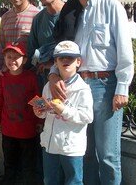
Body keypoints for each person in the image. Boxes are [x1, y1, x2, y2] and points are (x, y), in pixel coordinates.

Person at [48, 0, 134, 185]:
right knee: (84, 153)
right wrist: (53, 73)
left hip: (105, 87)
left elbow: (125, 51)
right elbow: (62, 50)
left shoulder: (111, 6)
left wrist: (122, 88)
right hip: (76, 87)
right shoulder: (69, 12)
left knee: (107, 155)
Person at [33, 40, 93, 185]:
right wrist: (39, 111)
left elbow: (87, 116)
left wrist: (64, 110)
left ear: (78, 62)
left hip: (71, 147)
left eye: (70, 58)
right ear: (56, 62)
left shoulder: (83, 89)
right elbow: (44, 112)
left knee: (73, 181)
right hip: (50, 144)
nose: (66, 60)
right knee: (49, 180)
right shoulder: (49, 85)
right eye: (61, 57)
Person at [0, 41, 41, 185]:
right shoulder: (3, 78)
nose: (12, 61)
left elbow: (38, 100)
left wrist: (40, 121)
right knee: (9, 163)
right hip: (8, 129)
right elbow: (1, 100)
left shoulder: (31, 77)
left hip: (27, 131)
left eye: (16, 57)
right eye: (8, 57)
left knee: (27, 165)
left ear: (25, 60)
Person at [27, 0, 65, 90]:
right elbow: (32, 53)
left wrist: (54, 64)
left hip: (70, 82)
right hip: (45, 83)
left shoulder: (73, 14)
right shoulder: (38, 19)